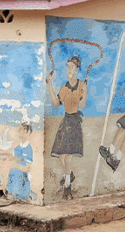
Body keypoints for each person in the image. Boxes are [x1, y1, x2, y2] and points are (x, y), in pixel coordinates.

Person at [47, 56, 88, 196]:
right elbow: (56, 103)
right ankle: (69, 175)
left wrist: (84, 93)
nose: (69, 69)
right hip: (66, 121)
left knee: (67, 156)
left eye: (72, 66)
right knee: (60, 155)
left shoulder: (82, 85)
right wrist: (49, 84)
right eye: (68, 66)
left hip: (74, 122)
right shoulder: (64, 87)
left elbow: (83, 105)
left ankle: (67, 186)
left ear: (77, 69)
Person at [6, 123, 34, 201]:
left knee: (16, 171)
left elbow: (27, 168)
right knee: (13, 171)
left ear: (27, 132)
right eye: (19, 130)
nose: (18, 132)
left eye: (21, 130)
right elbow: (13, 162)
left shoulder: (29, 149)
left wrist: (16, 165)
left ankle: (21, 194)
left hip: (23, 178)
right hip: (15, 177)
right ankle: (12, 193)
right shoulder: (16, 149)